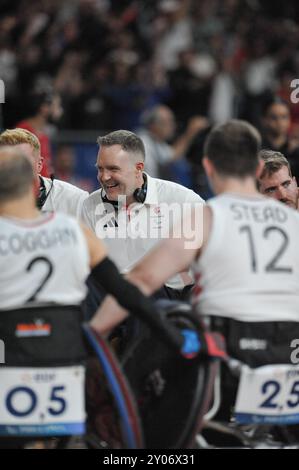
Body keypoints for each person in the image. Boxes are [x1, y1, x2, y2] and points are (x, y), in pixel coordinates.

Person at [91, 120, 299, 438]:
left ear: (208, 166)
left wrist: (94, 331)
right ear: (257, 167)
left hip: (230, 350)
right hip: (289, 348)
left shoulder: (207, 217)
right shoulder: (292, 221)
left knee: (163, 424)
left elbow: (144, 279)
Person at [0, 146, 198, 448]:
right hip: (67, 357)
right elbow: (127, 294)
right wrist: (174, 337)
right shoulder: (73, 230)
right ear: (31, 186)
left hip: (12, 355)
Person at [81, 129, 205, 298]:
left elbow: (210, 260)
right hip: (110, 296)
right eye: (100, 169)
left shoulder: (184, 201)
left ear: (138, 169)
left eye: (112, 169)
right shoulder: (90, 205)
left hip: (163, 297)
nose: (104, 177)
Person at [0, 128, 88, 218]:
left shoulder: (74, 199)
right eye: (6, 162)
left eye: (23, 161)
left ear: (39, 164)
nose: (14, 168)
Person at [137, 105, 209, 180]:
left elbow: (173, 154)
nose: (173, 126)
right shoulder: (143, 143)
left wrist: (192, 131)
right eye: (169, 122)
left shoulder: (154, 140)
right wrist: (191, 131)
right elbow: (147, 179)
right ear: (154, 125)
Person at [16, 89, 63, 177]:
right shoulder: (23, 132)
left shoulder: (44, 136)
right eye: (56, 106)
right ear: (44, 108)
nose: (59, 111)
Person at [261, 96, 299, 181]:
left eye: (284, 116)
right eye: (274, 117)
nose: (279, 122)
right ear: (264, 119)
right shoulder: (257, 151)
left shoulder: (295, 151)